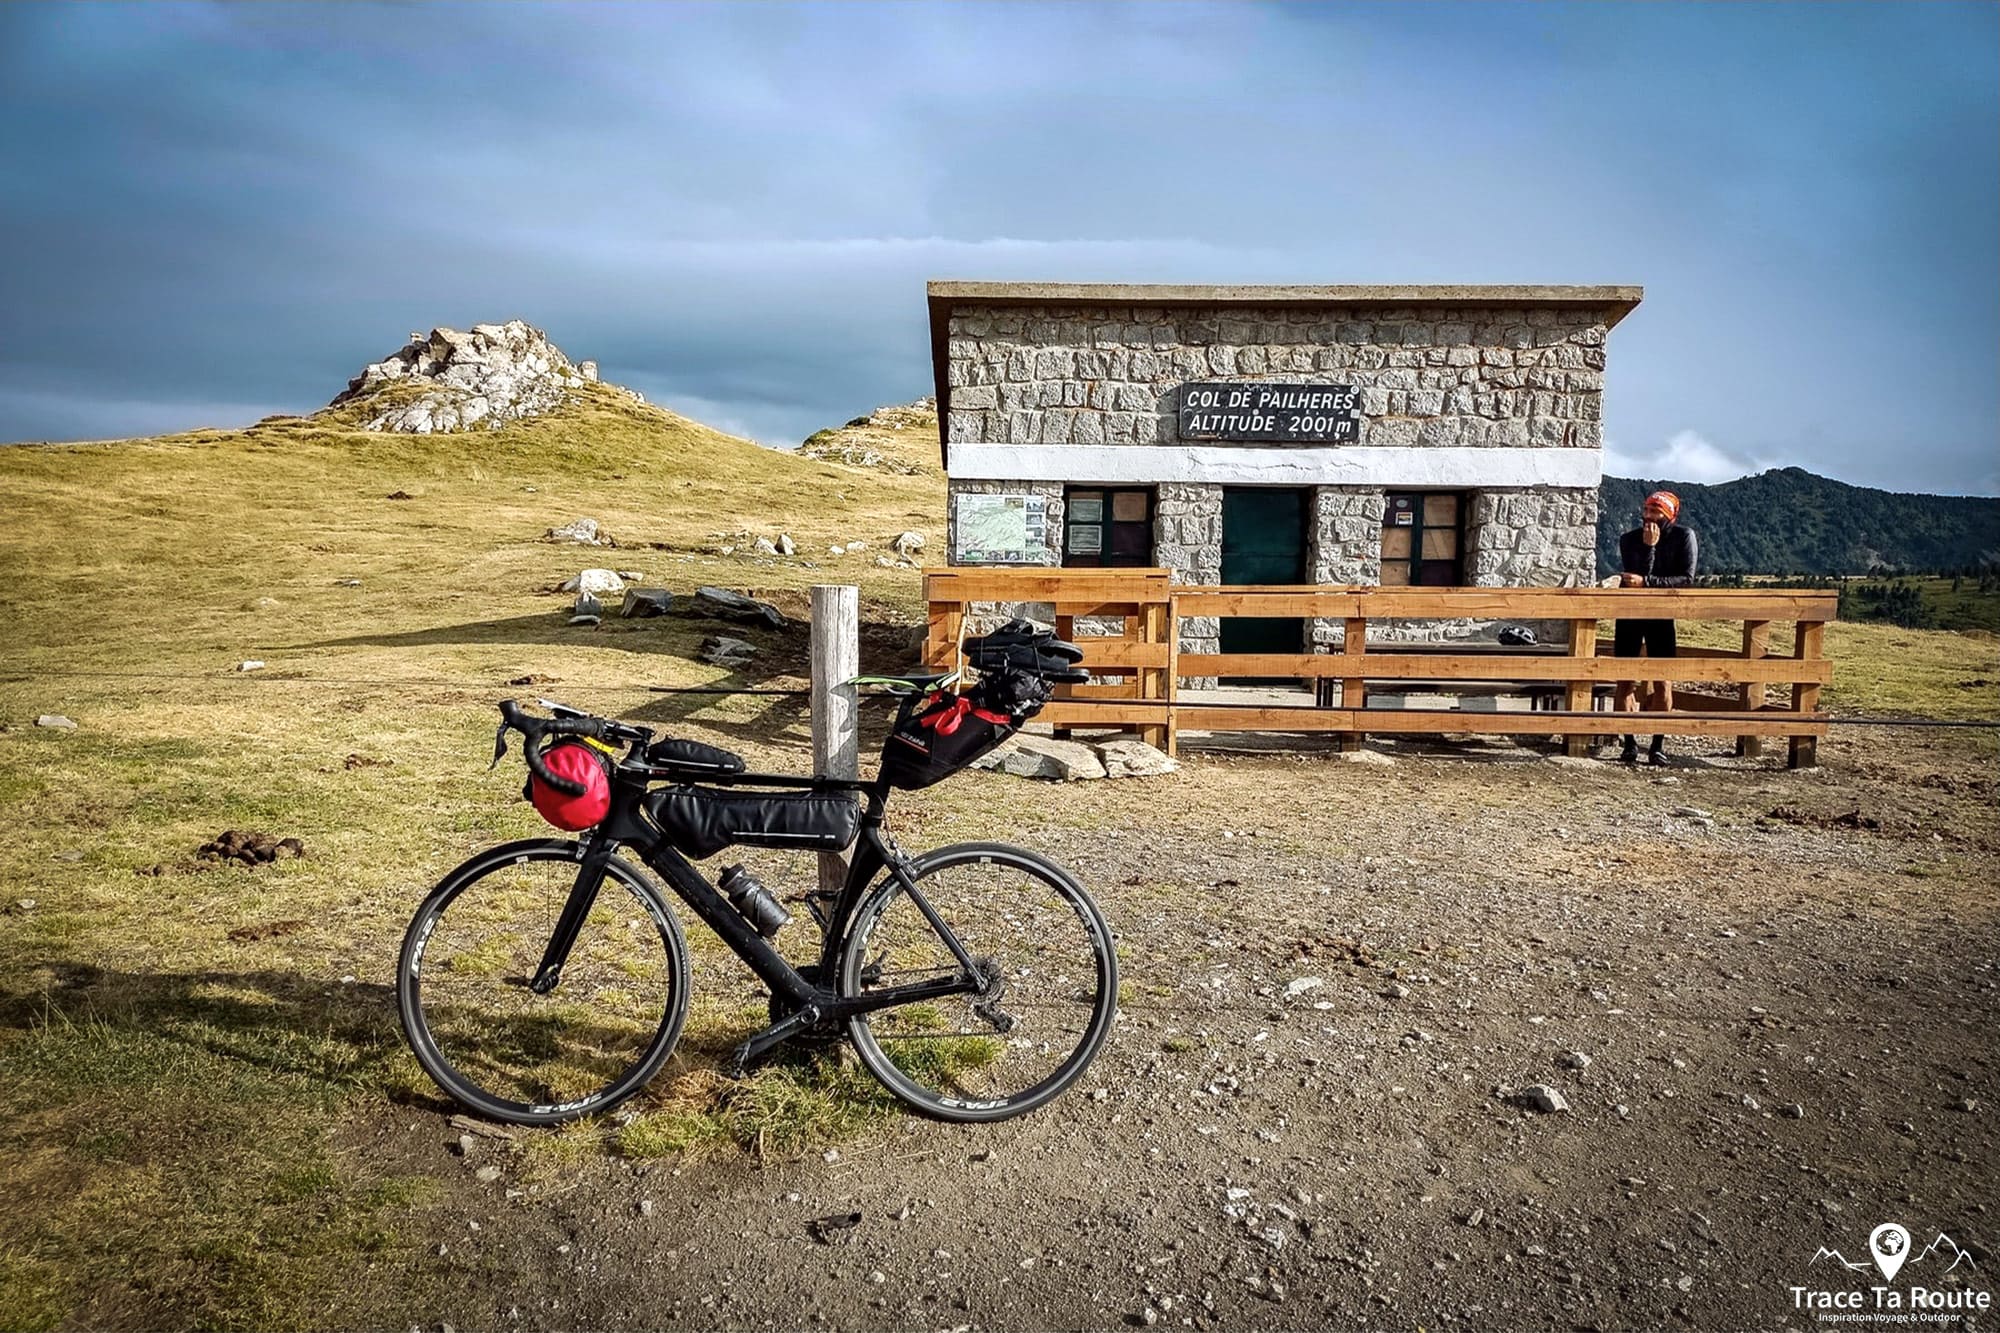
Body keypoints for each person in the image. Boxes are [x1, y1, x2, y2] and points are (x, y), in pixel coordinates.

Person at [1613, 490, 1698, 765]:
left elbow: (1686, 578)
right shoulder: (1629, 539)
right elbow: (1633, 578)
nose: (1648, 517)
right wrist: (1649, 548)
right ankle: (1628, 743)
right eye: (1647, 511)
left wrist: (1648, 582)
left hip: (1662, 616)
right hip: (1630, 615)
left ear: (1669, 516)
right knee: (1625, 679)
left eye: (1655, 513)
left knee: (1663, 680)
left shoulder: (1684, 537)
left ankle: (1658, 744)